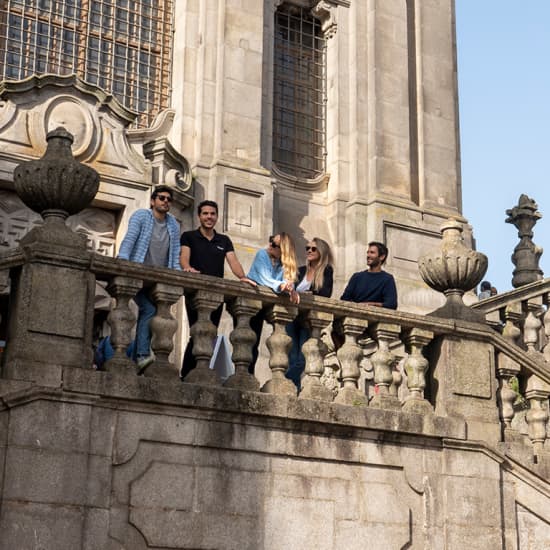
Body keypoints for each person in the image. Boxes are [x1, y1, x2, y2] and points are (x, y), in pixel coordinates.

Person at [180, 200, 255, 378]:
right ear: (199, 216)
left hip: (216, 294)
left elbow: (233, 261)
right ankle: (186, 373)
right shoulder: (189, 236)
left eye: (212, 214)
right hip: (195, 292)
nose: (209, 217)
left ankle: (201, 369)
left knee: (211, 333)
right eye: (205, 213)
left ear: (217, 217)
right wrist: (187, 267)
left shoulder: (224, 240)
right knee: (197, 331)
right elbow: (184, 257)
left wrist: (242, 277)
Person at [118, 185, 181, 371]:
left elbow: (175, 250)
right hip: (138, 273)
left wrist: (177, 271)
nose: (165, 202)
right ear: (153, 201)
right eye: (162, 198)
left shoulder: (173, 224)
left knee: (153, 313)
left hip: (157, 279)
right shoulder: (141, 216)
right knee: (148, 309)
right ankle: (142, 355)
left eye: (169, 199)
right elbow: (130, 237)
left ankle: (138, 359)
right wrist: (123, 258)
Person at [247, 232, 299, 373]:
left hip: (267, 305)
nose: (270, 245)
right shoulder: (262, 255)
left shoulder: (284, 263)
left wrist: (290, 288)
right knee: (250, 342)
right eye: (271, 241)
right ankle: (246, 375)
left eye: (274, 244)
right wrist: (282, 286)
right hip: (250, 302)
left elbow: (289, 280)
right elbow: (265, 279)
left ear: (283, 250)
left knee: (258, 344)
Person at [286, 237, 334, 390]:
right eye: (307, 248)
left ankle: (286, 381)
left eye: (313, 249)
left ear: (321, 251)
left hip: (309, 319)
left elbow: (325, 293)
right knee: (291, 357)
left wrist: (309, 293)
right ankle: (294, 389)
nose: (309, 251)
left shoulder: (326, 270)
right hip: (292, 316)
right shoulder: (300, 270)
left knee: (302, 359)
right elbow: (291, 289)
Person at [340, 241, 397, 309]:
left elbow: (391, 304)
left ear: (382, 257)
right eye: (368, 252)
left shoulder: (387, 279)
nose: (368, 255)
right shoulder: (357, 277)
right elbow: (344, 300)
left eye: (372, 252)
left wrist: (369, 304)